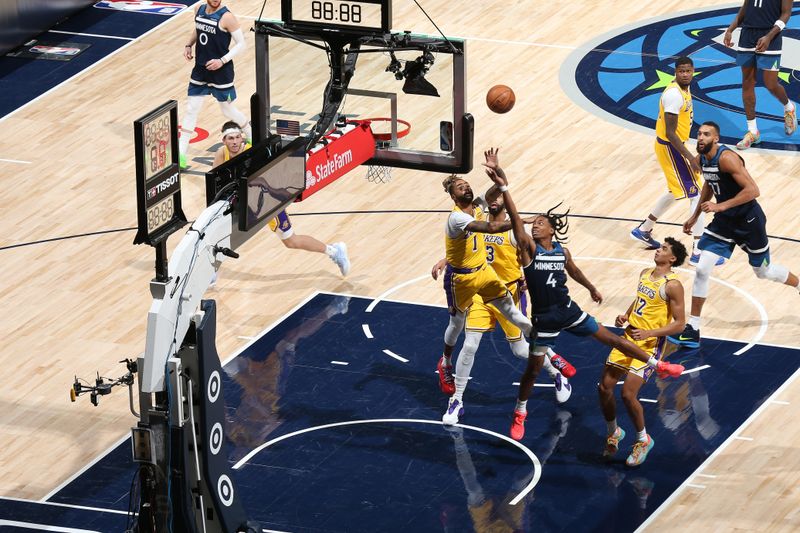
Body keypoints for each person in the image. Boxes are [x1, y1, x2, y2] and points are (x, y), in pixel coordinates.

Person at [483, 148, 685, 441]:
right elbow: (515, 218)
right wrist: (504, 185)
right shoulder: (528, 250)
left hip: (568, 309)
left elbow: (573, 270)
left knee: (614, 338)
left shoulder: (562, 251)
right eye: (535, 222)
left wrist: (590, 287)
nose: (535, 224)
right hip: (544, 318)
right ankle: (520, 410)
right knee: (533, 369)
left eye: (541, 221)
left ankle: (659, 365)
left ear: (552, 229)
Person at [431, 195, 576, 425]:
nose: (495, 201)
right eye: (493, 198)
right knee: (470, 344)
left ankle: (555, 373)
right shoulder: (478, 223)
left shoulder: (513, 232)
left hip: (508, 292)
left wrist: (532, 277)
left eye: (500, 197)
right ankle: (457, 400)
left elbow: (538, 257)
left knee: (520, 350)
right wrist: (446, 260)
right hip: (480, 290)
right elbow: (465, 249)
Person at [670, 121, 800, 347]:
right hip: (725, 222)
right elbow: (709, 185)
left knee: (764, 272)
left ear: (716, 139)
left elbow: (753, 191)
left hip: (749, 221)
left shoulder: (727, 158)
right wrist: (695, 216)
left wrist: (720, 206)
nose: (700, 138)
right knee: (701, 269)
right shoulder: (702, 159)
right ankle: (694, 328)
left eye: (706, 135)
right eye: (699, 134)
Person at [437, 169, 534, 397]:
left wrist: (498, 174)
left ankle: (551, 358)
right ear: (453, 197)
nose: (466, 188)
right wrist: (517, 221)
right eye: (461, 187)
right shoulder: (457, 218)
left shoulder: (478, 205)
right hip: (460, 279)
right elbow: (491, 228)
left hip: (484, 273)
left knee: (515, 326)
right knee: (457, 324)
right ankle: (445, 362)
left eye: (467, 184)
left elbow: (498, 189)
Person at [212, 122, 350, 277]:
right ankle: (211, 272)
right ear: (224, 140)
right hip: (244, 204)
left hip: (267, 201)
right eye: (231, 138)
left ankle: (334, 251)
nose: (235, 141)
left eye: (238, 137)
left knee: (291, 241)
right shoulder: (220, 153)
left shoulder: (251, 151)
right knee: (218, 232)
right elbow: (216, 184)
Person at [598, 237, 688, 467]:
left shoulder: (673, 285)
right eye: (660, 247)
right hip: (628, 337)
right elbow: (640, 300)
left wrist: (649, 334)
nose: (659, 250)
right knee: (604, 387)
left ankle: (642, 440)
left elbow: (679, 324)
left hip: (649, 344)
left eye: (664, 249)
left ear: (672, 258)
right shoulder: (645, 273)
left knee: (628, 394)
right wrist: (627, 315)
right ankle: (614, 432)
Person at [630, 56, 718, 267]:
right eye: (681, 71)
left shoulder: (684, 89)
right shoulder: (673, 96)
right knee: (696, 194)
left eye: (688, 71)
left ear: (693, 71)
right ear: (675, 72)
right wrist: (691, 158)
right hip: (671, 147)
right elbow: (670, 132)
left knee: (675, 190)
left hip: (675, 146)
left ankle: (644, 229)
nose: (685, 74)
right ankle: (698, 249)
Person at [180, 0, 252, 169]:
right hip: (201, 68)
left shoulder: (227, 17)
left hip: (221, 71)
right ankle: (181, 153)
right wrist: (189, 44)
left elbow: (241, 44)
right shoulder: (199, 9)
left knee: (227, 110)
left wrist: (222, 60)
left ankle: (250, 134)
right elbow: (199, 30)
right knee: (191, 109)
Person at [723, 0, 795, 149]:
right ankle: (753, 131)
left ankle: (788, 107)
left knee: (770, 84)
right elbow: (745, 8)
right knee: (747, 82)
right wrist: (730, 29)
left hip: (771, 36)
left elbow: (786, 13)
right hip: (747, 35)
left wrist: (769, 36)